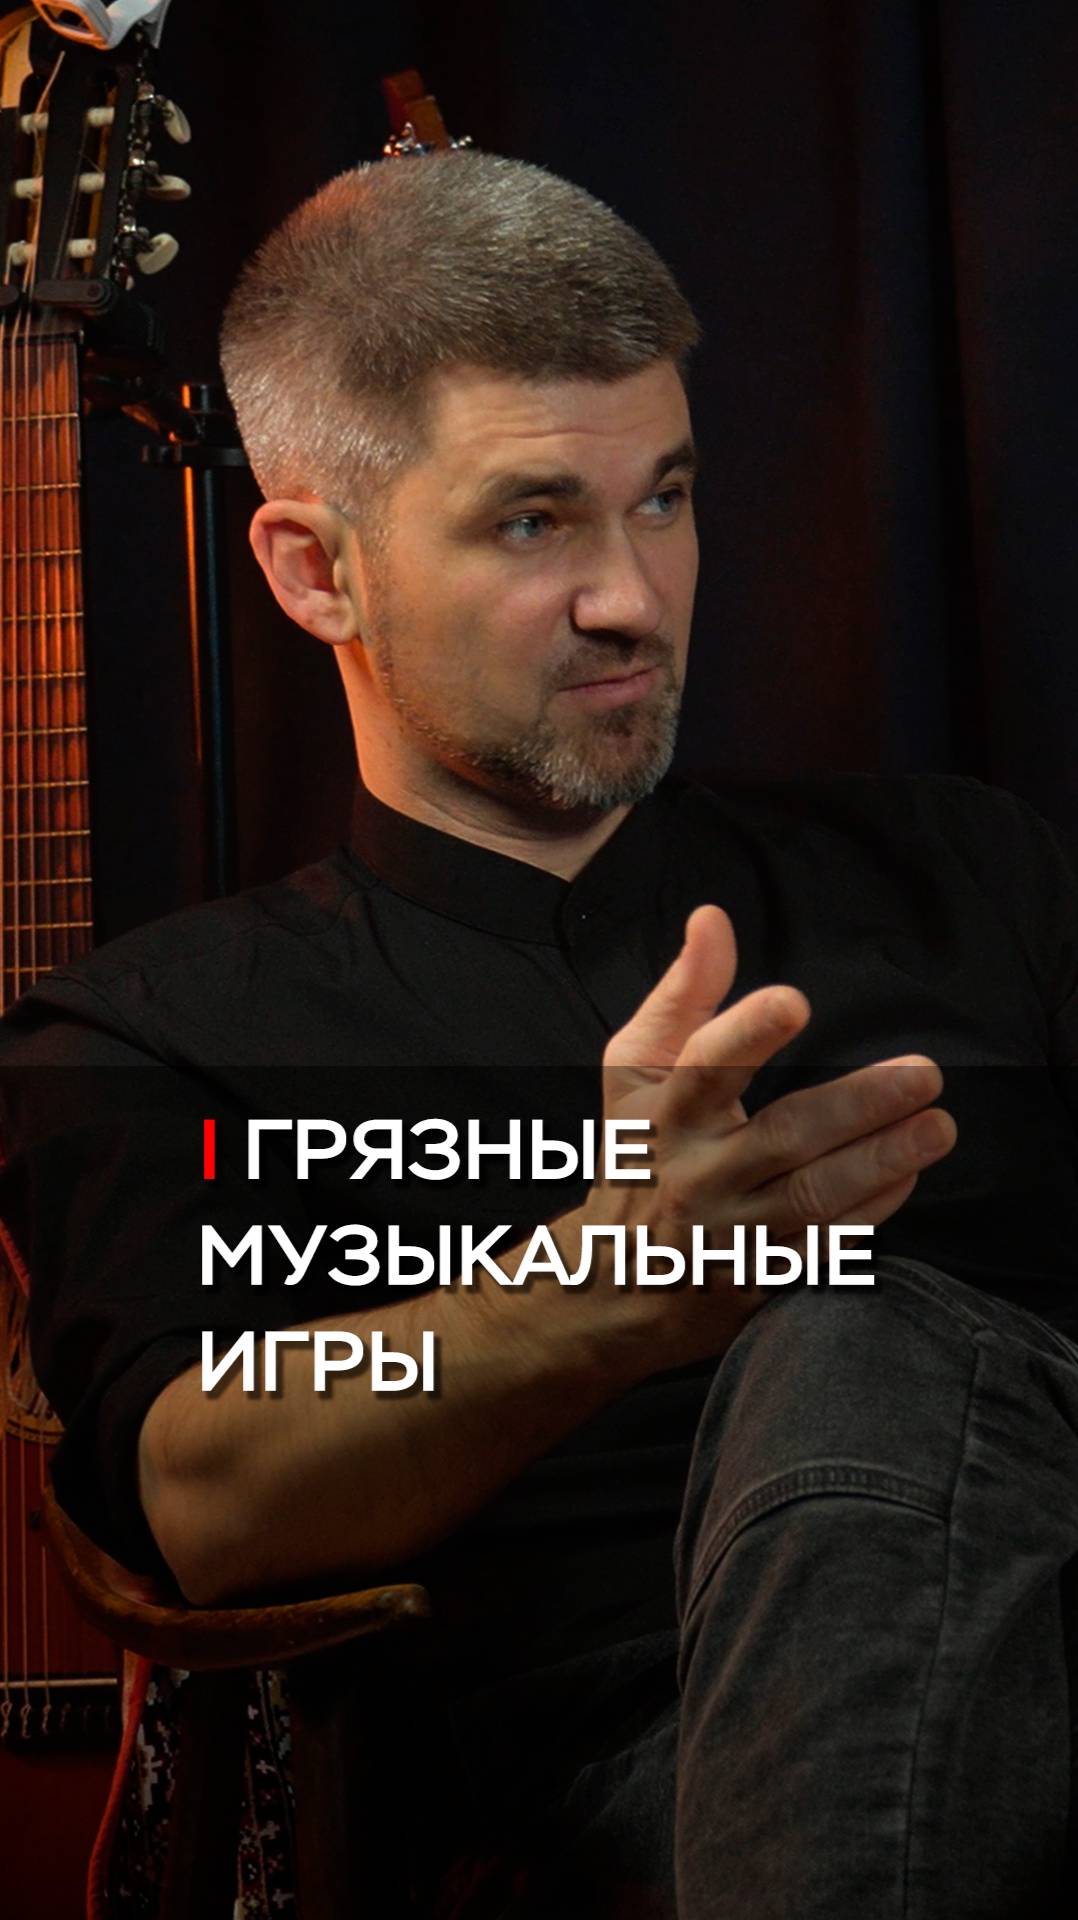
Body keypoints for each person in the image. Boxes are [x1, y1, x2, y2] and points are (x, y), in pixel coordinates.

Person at [2, 149, 1078, 1918]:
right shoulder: (155, 1036)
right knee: (852, 1338)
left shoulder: (964, 870)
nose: (632, 599)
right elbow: (194, 1491)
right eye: (532, 523)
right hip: (645, 1796)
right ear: (315, 571)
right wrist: (604, 1289)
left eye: (664, 499)